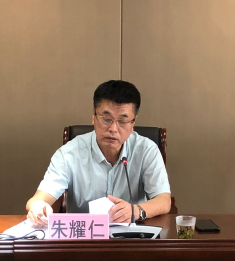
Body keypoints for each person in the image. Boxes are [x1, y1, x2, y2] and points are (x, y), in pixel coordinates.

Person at [26, 80, 171, 226]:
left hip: (131, 234)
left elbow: (164, 201)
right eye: (106, 119)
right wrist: (38, 207)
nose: (113, 129)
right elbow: (38, 199)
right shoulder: (69, 153)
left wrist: (136, 210)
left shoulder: (146, 150)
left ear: (133, 123)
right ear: (93, 116)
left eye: (122, 121)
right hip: (83, 235)